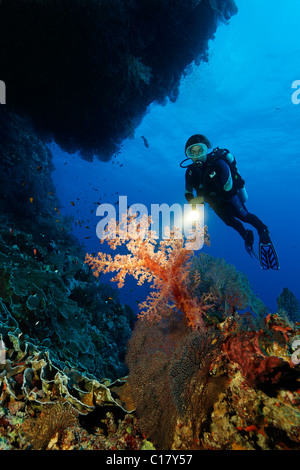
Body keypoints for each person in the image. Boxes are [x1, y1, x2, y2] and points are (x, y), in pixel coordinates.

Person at [181, 134, 279, 270]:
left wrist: (202, 199)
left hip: (230, 198)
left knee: (244, 216)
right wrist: (193, 201)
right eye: (192, 152)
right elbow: (188, 192)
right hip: (215, 204)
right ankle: (246, 234)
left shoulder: (218, 164)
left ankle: (263, 231)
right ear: (188, 155)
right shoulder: (190, 173)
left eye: (200, 150)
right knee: (230, 222)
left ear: (206, 150)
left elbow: (227, 187)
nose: (197, 155)